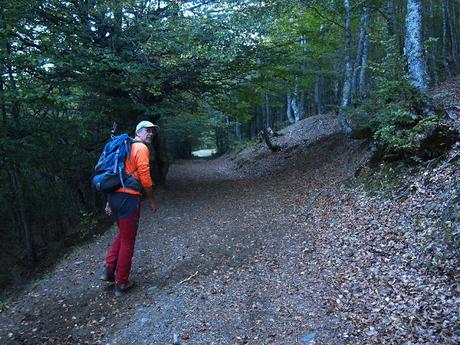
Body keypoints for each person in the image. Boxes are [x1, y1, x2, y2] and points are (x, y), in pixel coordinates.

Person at [100, 120, 159, 297]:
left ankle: (109, 270)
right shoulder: (140, 148)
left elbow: (114, 173)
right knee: (128, 240)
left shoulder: (124, 147)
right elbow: (145, 177)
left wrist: (109, 201)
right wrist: (151, 199)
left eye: (152, 132)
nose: (150, 134)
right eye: (147, 131)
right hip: (128, 198)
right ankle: (122, 282)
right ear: (138, 132)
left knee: (123, 234)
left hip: (115, 196)